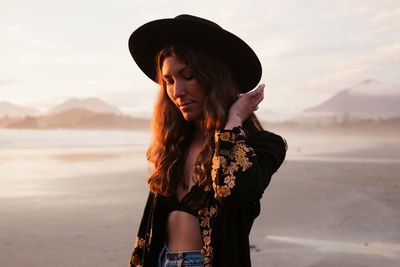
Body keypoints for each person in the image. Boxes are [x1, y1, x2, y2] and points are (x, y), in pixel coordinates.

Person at [127, 14, 287, 267]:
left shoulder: (265, 146)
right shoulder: (173, 145)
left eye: (187, 76)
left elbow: (231, 191)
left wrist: (233, 120)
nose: (177, 92)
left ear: (214, 78)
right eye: (169, 81)